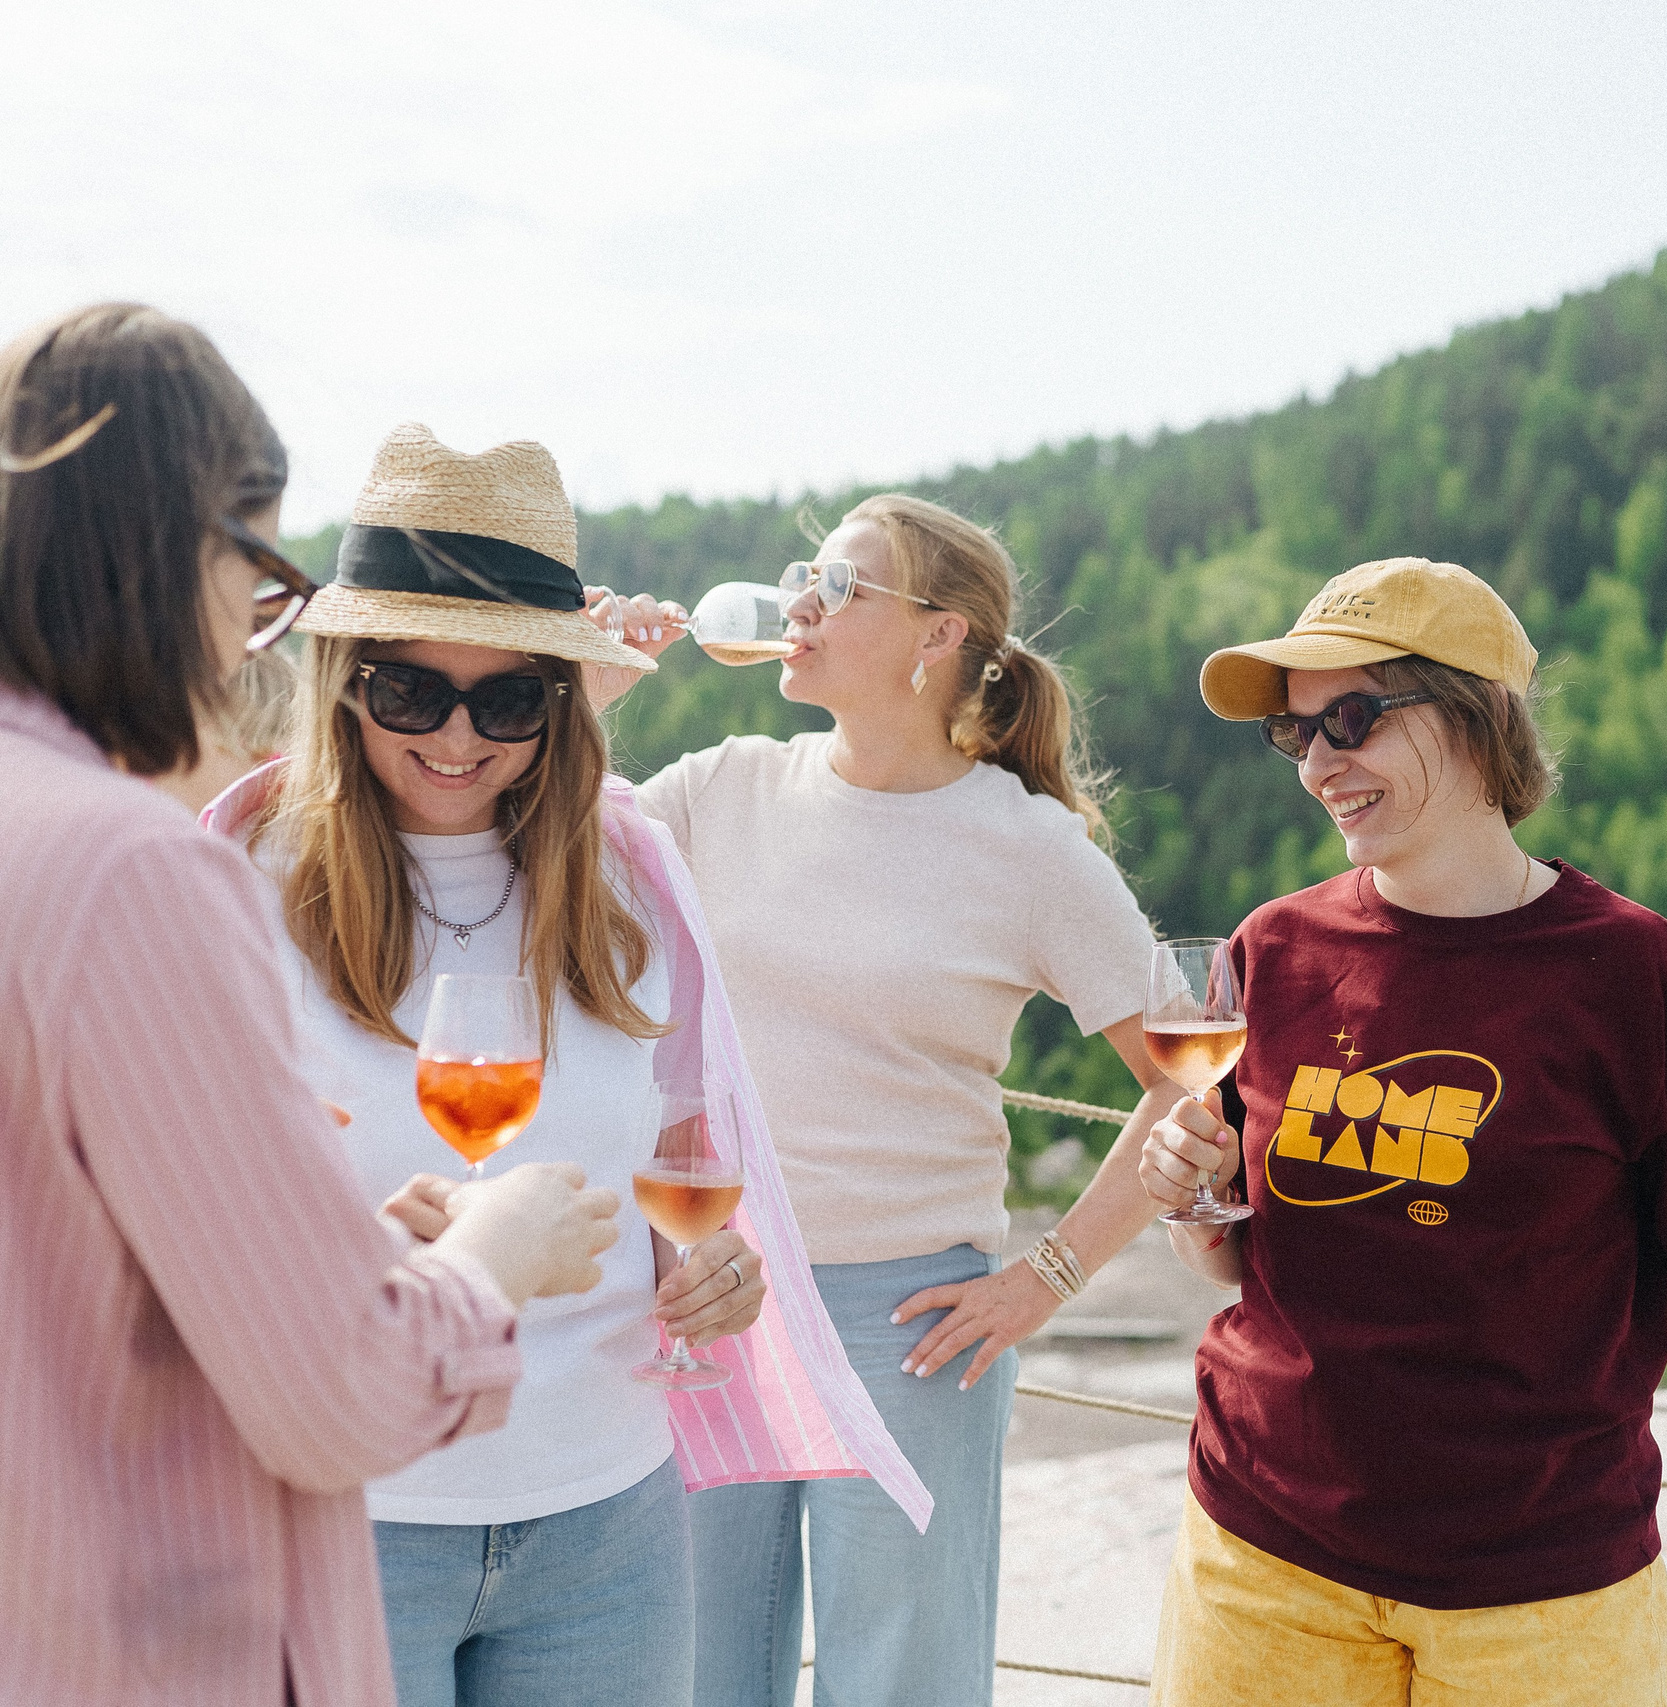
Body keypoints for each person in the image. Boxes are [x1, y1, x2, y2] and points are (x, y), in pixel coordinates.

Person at [200, 425, 928, 1707]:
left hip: (609, 1518)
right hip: (350, 1514)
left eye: (510, 698)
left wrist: (710, 1268)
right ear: (346, 685)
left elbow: (681, 1166)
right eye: (413, 692)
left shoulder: (634, 883)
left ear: (557, 699)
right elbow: (181, 1219)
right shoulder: (241, 887)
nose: (459, 738)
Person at [0, 307, 624, 1707]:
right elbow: (334, 1401)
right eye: (259, 573)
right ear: (170, 546)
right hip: (158, 1640)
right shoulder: (140, 871)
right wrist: (495, 1257)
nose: (247, 634)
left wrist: (337, 1248)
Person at [1138, 557, 1667, 1707]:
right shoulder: (1273, 951)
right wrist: (1182, 1193)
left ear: (1476, 714)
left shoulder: (1637, 977)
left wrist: (1540, 1357)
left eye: (1349, 718)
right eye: (1295, 736)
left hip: (1540, 1589)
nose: (1319, 764)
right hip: (1261, 1558)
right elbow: (1242, 1260)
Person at [582, 493, 1185, 1707]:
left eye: (842, 584)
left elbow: (1192, 1080)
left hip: (910, 1318)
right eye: (805, 571)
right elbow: (541, 873)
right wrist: (587, 704)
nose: (801, 599)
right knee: (694, 1675)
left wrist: (1050, 1277)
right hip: (709, 1291)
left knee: (896, 1684)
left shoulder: (1029, 850)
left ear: (937, 637)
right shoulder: (721, 787)